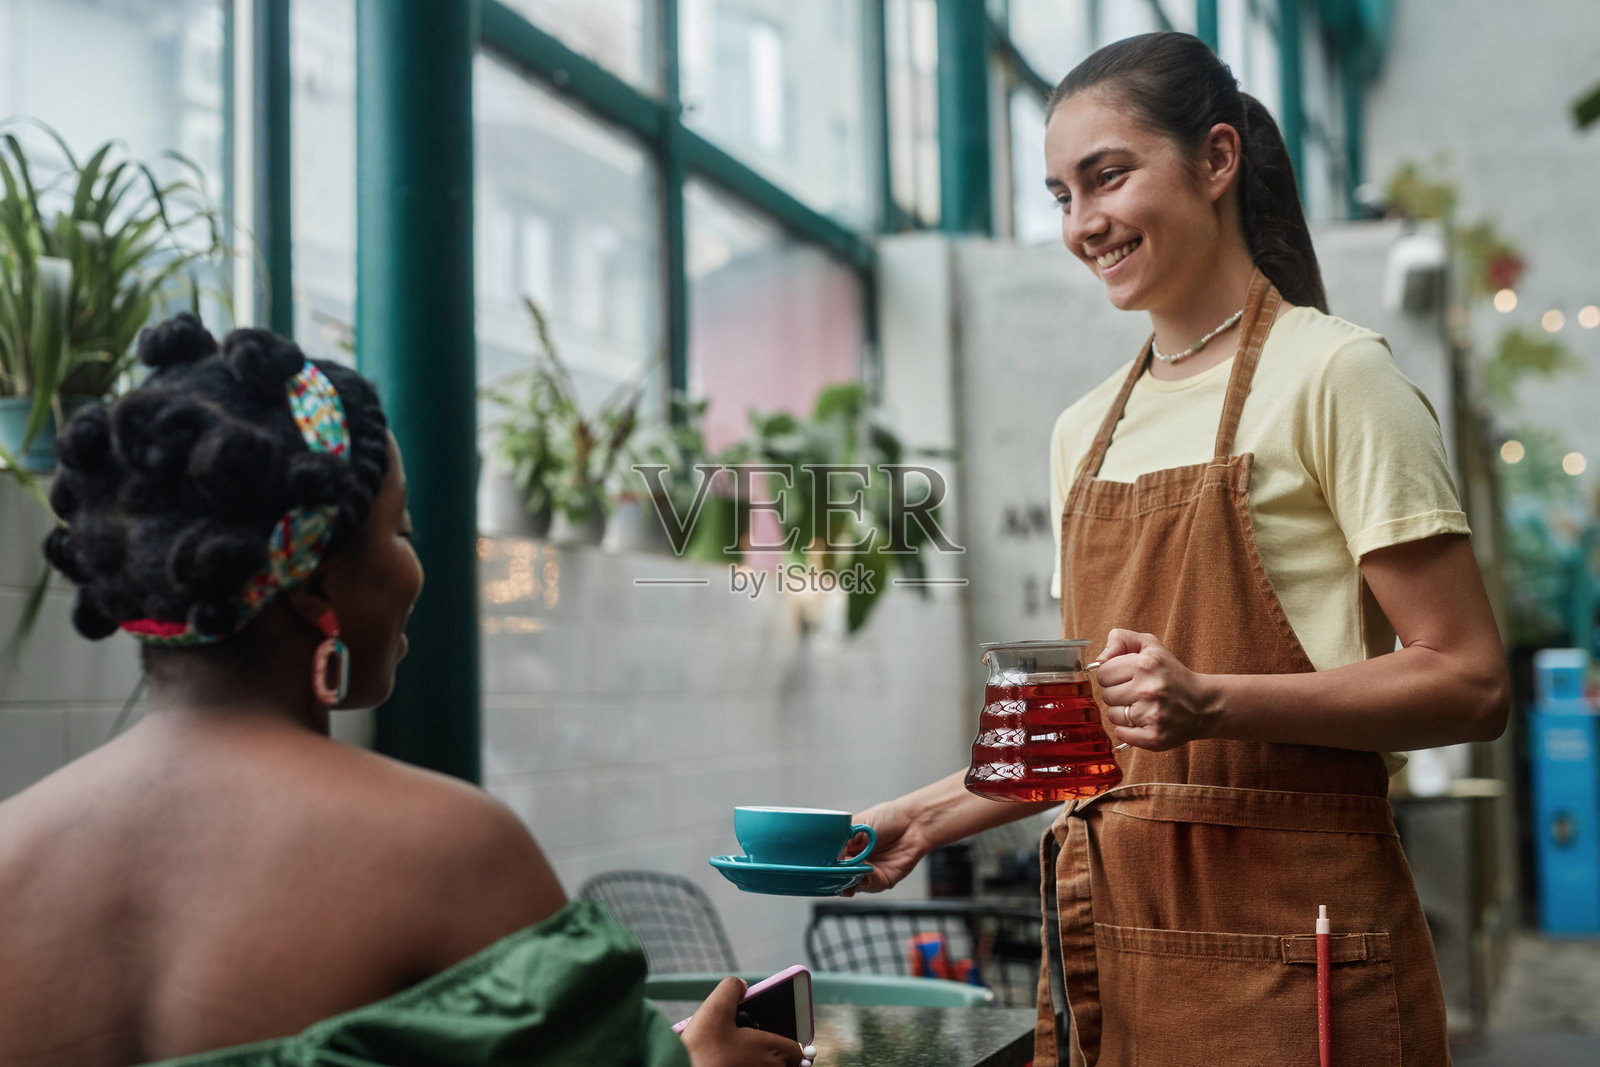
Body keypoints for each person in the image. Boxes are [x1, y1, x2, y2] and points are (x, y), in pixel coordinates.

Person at [848, 31, 1508, 1067]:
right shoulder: (1083, 431)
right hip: (1117, 949)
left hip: (1298, 952)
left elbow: (1470, 681)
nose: (1082, 223)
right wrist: (921, 817)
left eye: (1107, 176)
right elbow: (1088, 731)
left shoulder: (1337, 377)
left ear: (1216, 158)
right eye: (1060, 194)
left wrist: (1212, 701)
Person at [0, 315, 803, 1067]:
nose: (416, 567)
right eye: (402, 529)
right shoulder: (456, 852)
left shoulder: (13, 853)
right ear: (315, 580)